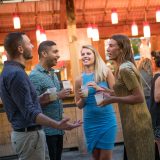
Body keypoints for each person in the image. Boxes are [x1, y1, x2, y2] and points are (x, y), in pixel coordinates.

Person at [0, 32, 82, 160]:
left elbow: (22, 104)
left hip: (31, 135)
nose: (32, 46)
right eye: (29, 43)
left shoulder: (13, 71)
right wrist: (57, 124)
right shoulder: (17, 74)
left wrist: (39, 100)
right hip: (29, 135)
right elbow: (29, 112)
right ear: (20, 49)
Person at [100, 34, 155, 160]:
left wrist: (113, 99)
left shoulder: (125, 69)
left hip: (137, 121)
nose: (107, 49)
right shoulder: (121, 67)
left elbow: (139, 97)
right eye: (108, 45)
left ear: (121, 48)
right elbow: (126, 92)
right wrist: (108, 92)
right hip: (131, 121)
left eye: (111, 45)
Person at [29, 40, 71, 160]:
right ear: (44, 54)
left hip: (58, 130)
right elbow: (33, 104)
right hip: (46, 132)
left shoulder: (52, 73)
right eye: (55, 52)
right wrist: (58, 95)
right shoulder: (35, 76)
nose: (58, 55)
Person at [74, 45, 117, 160]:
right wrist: (83, 98)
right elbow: (78, 105)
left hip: (107, 120)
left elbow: (116, 94)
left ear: (95, 56)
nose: (85, 56)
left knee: (105, 158)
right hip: (90, 122)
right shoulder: (79, 80)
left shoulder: (105, 72)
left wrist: (99, 88)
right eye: (83, 54)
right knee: (96, 157)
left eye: (88, 53)